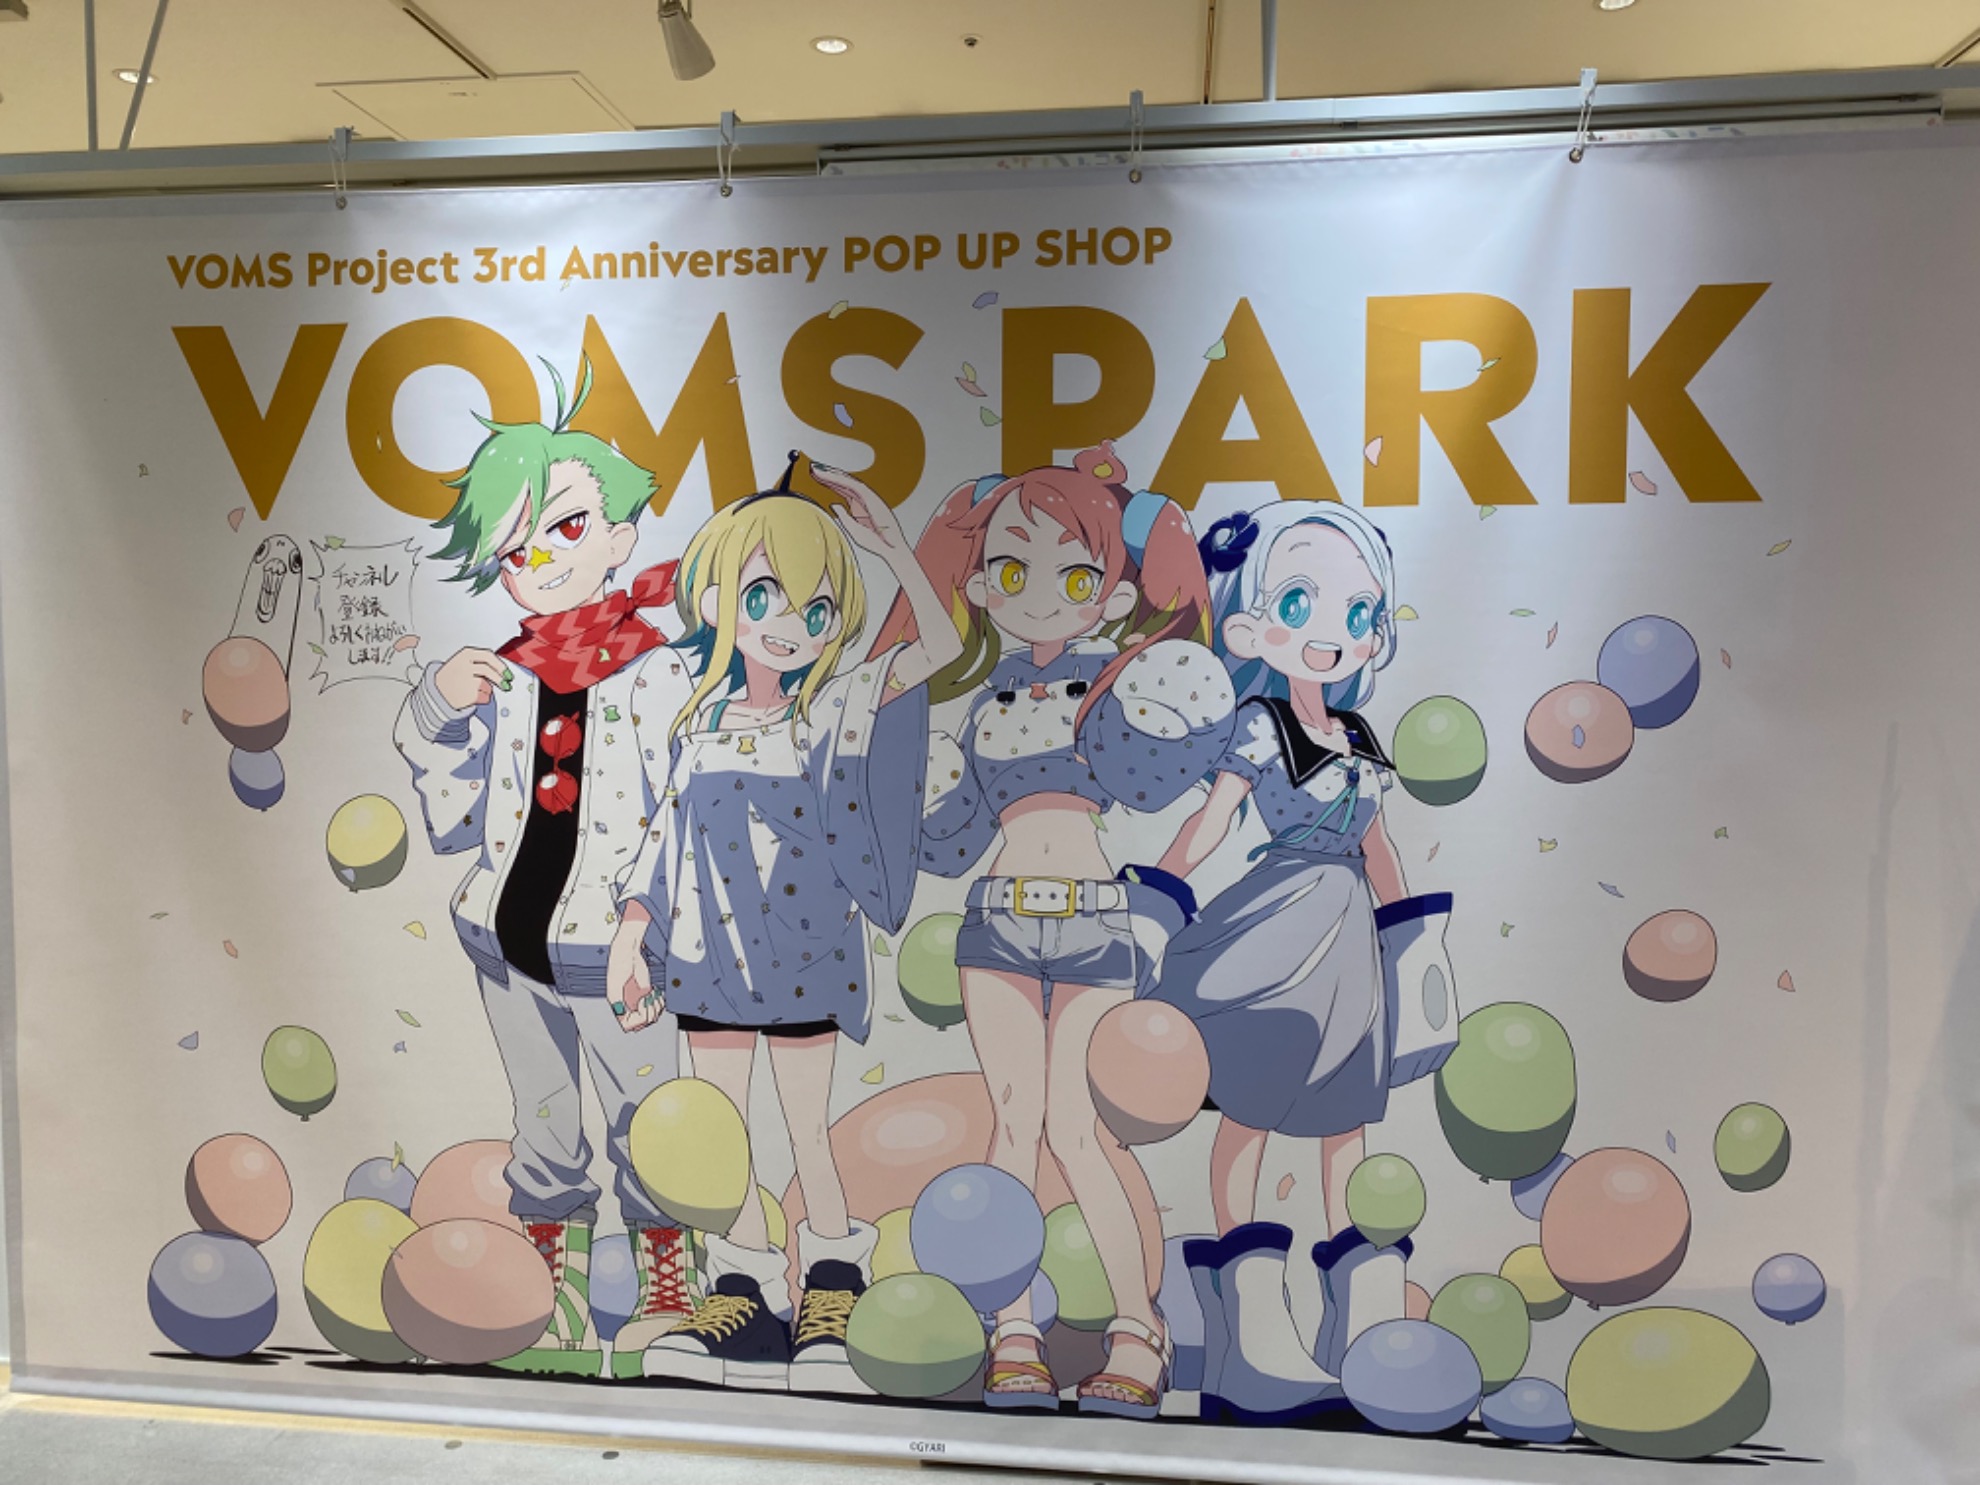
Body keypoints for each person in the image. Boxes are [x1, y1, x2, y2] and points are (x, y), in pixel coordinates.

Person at [873, 442, 1232, 1419]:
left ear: (1111, 595)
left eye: (1074, 577)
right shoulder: (980, 701)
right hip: (993, 925)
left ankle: (1138, 1330)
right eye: (1013, 569)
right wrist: (912, 786)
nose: (1039, 595)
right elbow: (953, 841)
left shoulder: (1121, 685)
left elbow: (1149, 779)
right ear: (982, 583)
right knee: (1014, 1129)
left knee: (1076, 1130)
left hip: (1093, 924)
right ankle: (1014, 1329)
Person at [605, 455, 961, 1393]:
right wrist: (632, 932)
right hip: (707, 954)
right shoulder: (698, 723)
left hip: (807, 950)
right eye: (762, 596)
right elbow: (661, 839)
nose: (788, 626)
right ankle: (745, 1293)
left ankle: (831, 1288)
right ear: (716, 599)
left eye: (815, 609)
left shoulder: (832, 707)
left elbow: (936, 646)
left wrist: (891, 545)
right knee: (722, 1138)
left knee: (808, 1130)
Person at [394, 358, 698, 1374]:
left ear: (620, 537)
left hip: (616, 953)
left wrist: (642, 928)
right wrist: (439, 707)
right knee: (546, 1129)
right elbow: (451, 808)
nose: (542, 561)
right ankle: (548, 1302)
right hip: (505, 940)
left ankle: (668, 1297)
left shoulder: (658, 672)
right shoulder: (505, 674)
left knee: (650, 1127)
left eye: (566, 529)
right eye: (517, 550)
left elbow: (679, 814)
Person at [1147, 501, 1427, 1424]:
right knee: (1254, 1110)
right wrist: (1161, 887)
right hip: (1278, 929)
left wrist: (1409, 937)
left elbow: (1381, 850)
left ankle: (1365, 1337)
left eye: (1357, 612)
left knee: (1345, 1124)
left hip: (1352, 946)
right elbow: (1213, 818)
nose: (1332, 632)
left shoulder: (1361, 739)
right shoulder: (1262, 723)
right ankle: (1250, 1342)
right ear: (1250, 624)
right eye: (1300, 603)